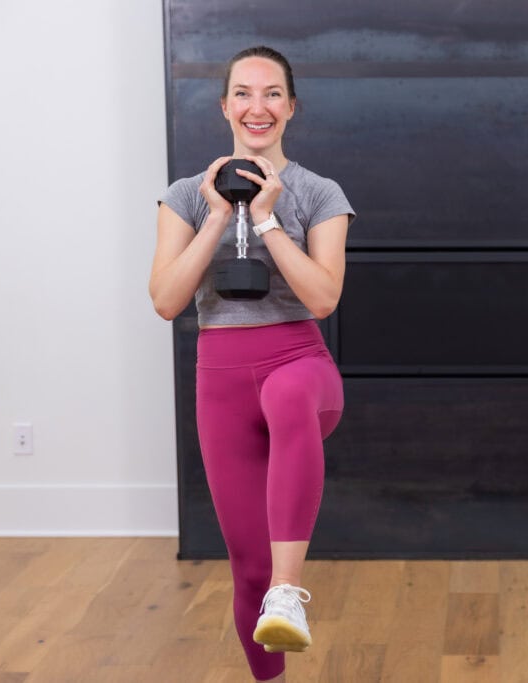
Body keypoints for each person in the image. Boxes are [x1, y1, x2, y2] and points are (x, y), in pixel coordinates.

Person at [149, 46, 354, 682]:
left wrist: (266, 220)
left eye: (271, 94)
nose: (256, 106)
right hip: (222, 379)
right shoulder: (185, 196)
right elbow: (165, 301)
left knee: (291, 396)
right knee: (247, 566)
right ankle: (271, 643)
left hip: (298, 360)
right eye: (243, 93)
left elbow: (322, 298)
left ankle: (290, 592)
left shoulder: (319, 193)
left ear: (290, 107)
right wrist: (217, 216)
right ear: (225, 107)